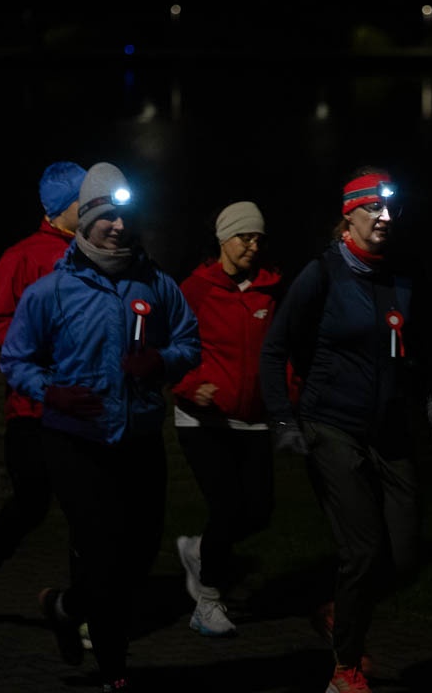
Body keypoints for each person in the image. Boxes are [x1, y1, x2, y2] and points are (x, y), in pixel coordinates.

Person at [0, 161, 201, 693]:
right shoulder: (52, 291)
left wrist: (160, 362)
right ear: (86, 219)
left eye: (125, 217)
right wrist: (51, 392)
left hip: (139, 440)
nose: (118, 226)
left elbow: (189, 342)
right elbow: (16, 359)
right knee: (103, 555)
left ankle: (64, 608)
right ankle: (115, 674)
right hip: (76, 442)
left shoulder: (156, 284)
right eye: (106, 216)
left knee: (139, 556)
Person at [258, 166, 432, 693]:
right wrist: (283, 420)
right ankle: (345, 669)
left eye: (390, 209)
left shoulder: (400, 276)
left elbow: (413, 350)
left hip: (388, 430)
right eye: (373, 208)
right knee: (362, 551)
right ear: (348, 219)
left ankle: (337, 610)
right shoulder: (321, 275)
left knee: (405, 556)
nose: (385, 217)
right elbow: (275, 350)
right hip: (331, 425)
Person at [0, 160, 87, 613]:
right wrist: (43, 341)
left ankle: (86, 609)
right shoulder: (22, 257)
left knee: (85, 510)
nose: (94, 205)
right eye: (83, 199)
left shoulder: (100, 252)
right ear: (61, 206)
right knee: (32, 503)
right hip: (32, 410)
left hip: (83, 410)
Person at [171, 201, 289, 638]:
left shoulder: (269, 290)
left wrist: (287, 398)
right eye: (245, 237)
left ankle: (199, 550)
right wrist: (191, 385)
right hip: (203, 420)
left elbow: (279, 353)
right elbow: (171, 348)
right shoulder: (195, 289)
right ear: (224, 238)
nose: (253, 246)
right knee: (226, 507)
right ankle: (207, 601)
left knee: (259, 512)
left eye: (259, 239)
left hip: (252, 420)